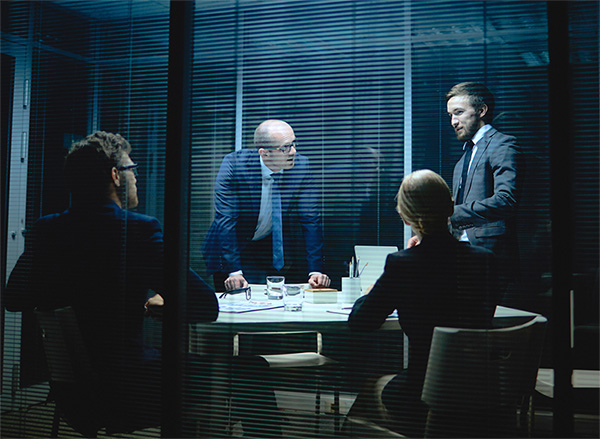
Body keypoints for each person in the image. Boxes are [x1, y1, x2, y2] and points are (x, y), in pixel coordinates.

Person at [3, 132, 280, 437]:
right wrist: (160, 299)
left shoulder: (48, 229)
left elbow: (14, 298)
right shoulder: (136, 231)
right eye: (131, 169)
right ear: (115, 176)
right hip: (127, 387)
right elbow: (204, 305)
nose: (136, 177)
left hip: (74, 392)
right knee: (252, 370)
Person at [347, 170, 499, 436]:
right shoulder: (484, 260)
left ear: (405, 217)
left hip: (426, 389)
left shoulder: (402, 264)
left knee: (372, 386)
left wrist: (373, 288)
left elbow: (360, 322)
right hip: (481, 389)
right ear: (451, 206)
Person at [202, 119, 331, 291]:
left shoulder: (301, 166)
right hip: (231, 247)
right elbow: (227, 221)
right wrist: (234, 272)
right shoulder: (234, 165)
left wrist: (315, 270)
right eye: (285, 147)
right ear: (264, 153)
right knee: (237, 303)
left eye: (294, 144)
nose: (293, 151)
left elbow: (310, 220)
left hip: (266, 248)